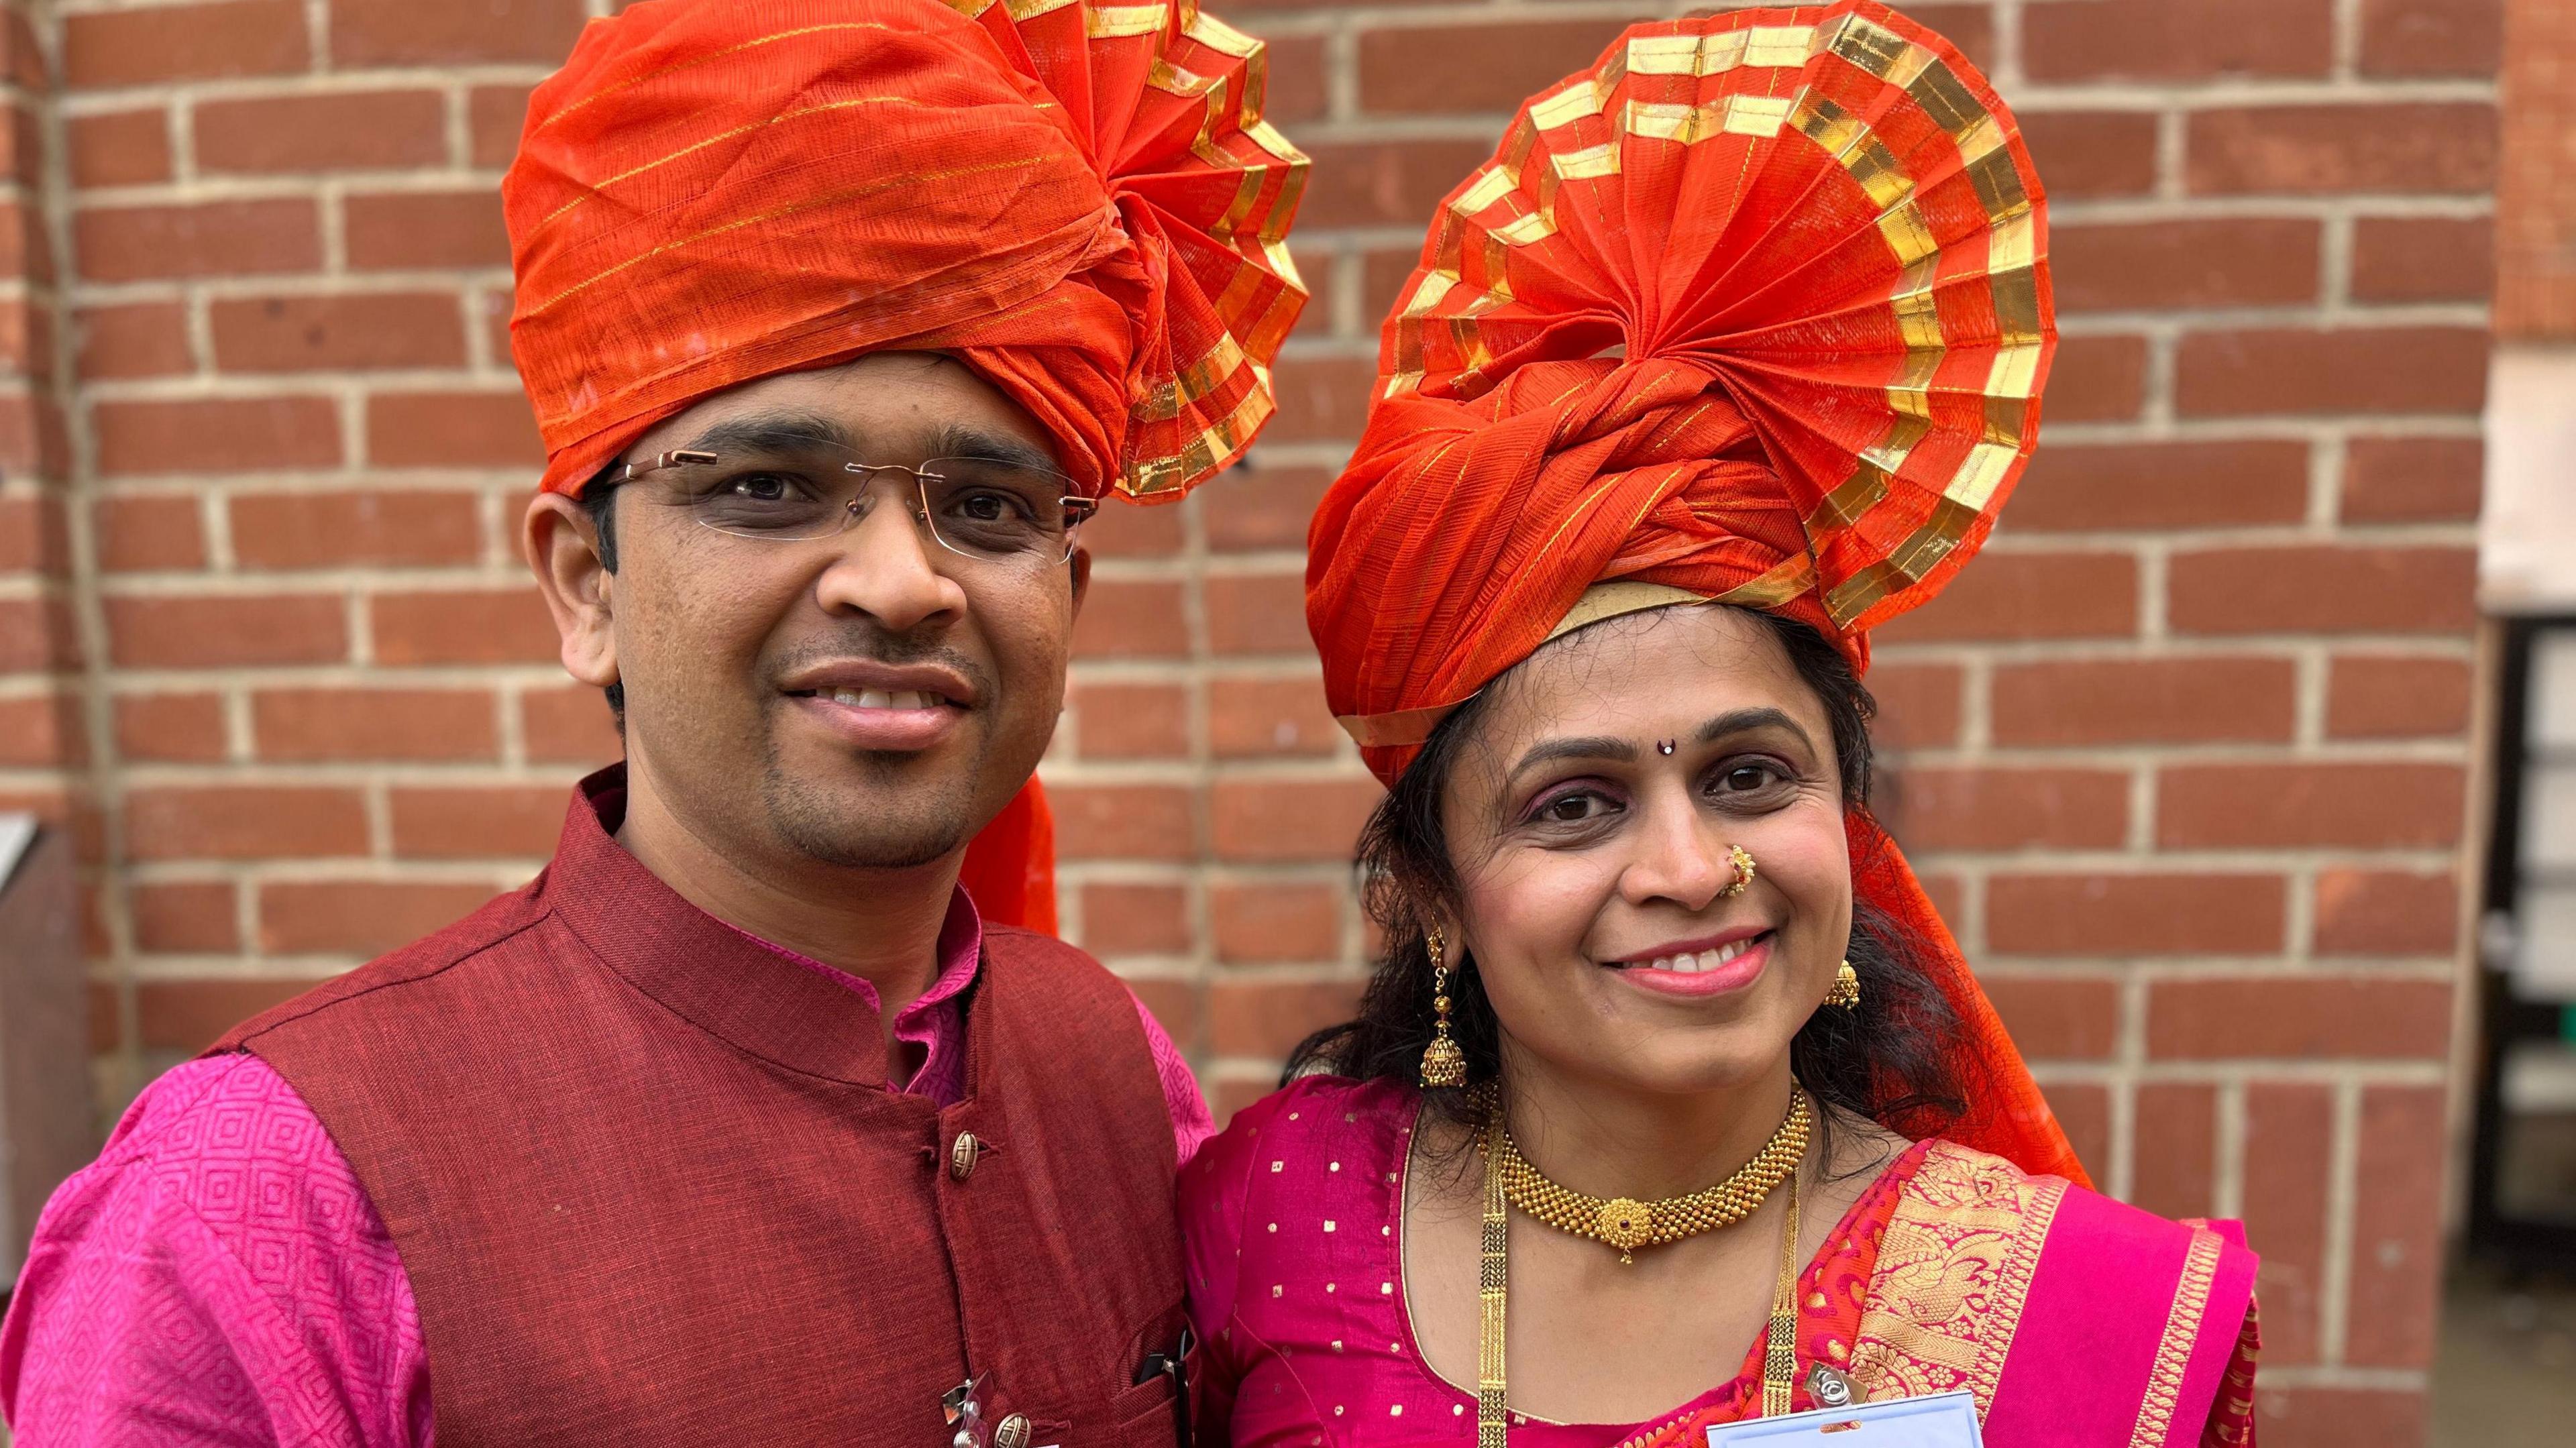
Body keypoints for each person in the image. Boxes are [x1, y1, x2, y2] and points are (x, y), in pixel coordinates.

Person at [1, 1, 1305, 1442]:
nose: (898, 581)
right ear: (586, 585)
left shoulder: (1119, 1076)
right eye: (767, 488)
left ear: (1066, 591)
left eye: (986, 509)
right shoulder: (262, 1199)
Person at [1179, 4, 2259, 1446]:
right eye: (1574, 803)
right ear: (1431, 892)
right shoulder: (1270, 1212)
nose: (1691, 868)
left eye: (1752, 776)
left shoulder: (2082, 1309)